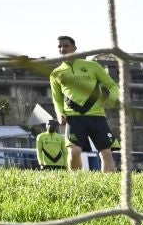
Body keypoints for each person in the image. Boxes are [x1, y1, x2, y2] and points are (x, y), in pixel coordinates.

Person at [50, 36, 118, 173]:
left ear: (74, 48)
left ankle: (110, 184)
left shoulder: (93, 66)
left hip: (97, 116)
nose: (62, 49)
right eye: (59, 46)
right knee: (74, 152)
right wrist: (59, 113)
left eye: (66, 45)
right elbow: (57, 99)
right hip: (74, 118)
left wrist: (111, 100)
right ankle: (76, 183)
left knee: (106, 153)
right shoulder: (55, 73)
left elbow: (112, 85)